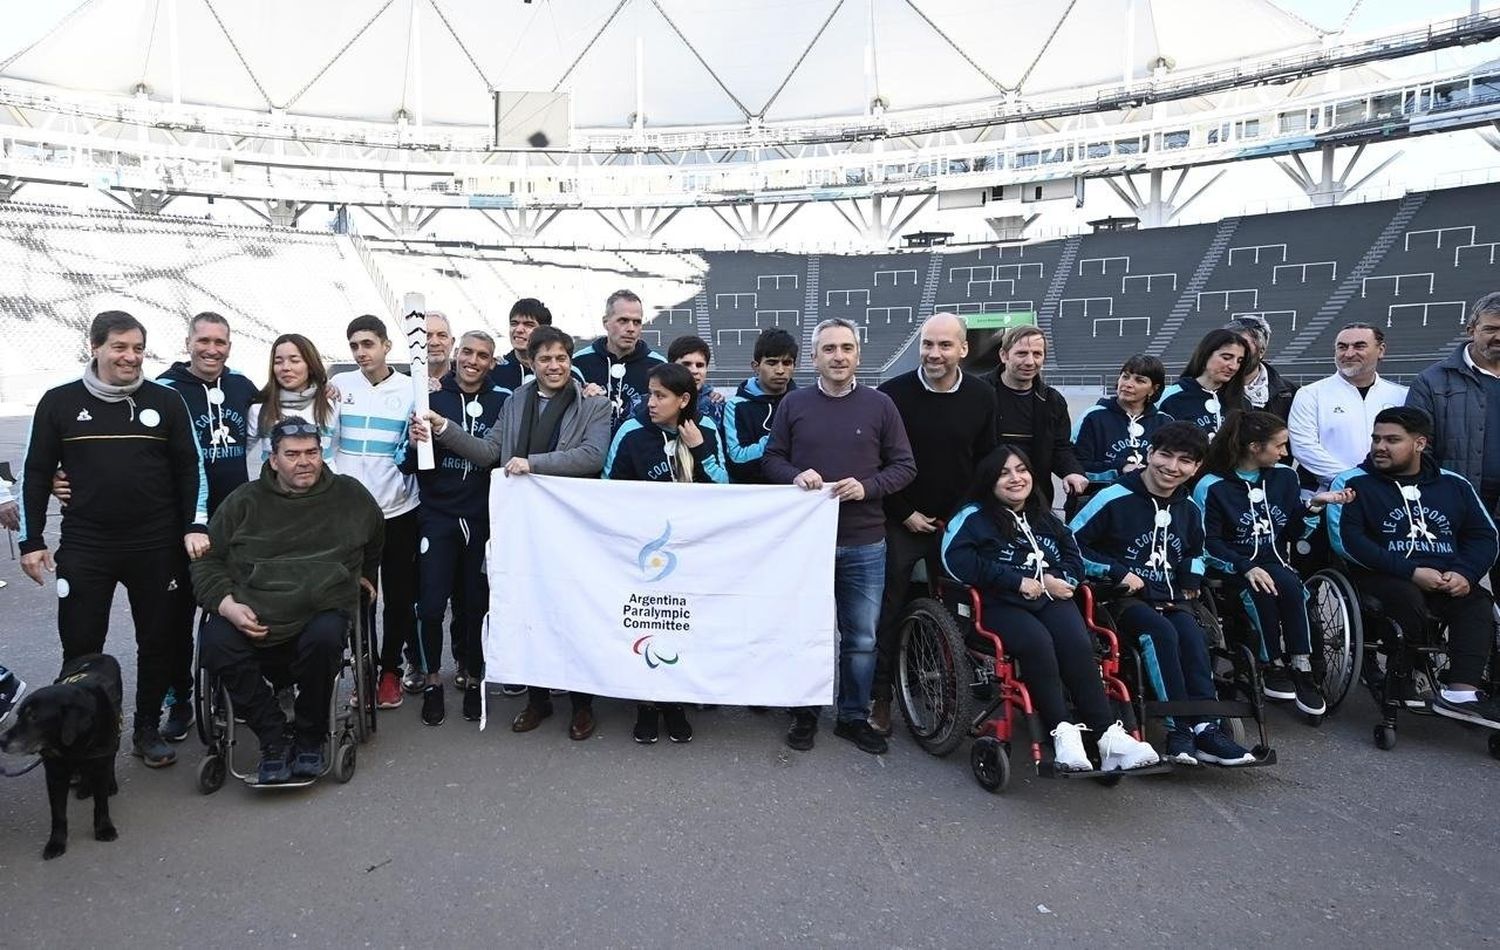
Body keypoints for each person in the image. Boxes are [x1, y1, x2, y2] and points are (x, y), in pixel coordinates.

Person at [17, 310, 208, 769]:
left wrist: (195, 524)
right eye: (120, 347)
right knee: (82, 649)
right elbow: (36, 471)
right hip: (87, 546)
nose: (130, 357)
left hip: (156, 545)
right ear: (95, 347)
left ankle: (146, 728)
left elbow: (191, 468)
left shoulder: (166, 400)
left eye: (138, 348)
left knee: (158, 641)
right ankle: (83, 738)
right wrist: (32, 540)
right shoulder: (58, 402)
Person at [417, 325, 612, 739]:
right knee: (529, 610)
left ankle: (581, 703)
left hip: (570, 525)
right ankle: (537, 699)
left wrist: (532, 463)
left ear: (570, 361)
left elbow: (592, 456)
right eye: (545, 358)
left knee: (574, 611)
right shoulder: (517, 400)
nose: (554, 365)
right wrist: (443, 428)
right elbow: (490, 452)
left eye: (561, 358)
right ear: (532, 362)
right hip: (522, 525)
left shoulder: (594, 403)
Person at [941, 446, 1161, 771]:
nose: (1016, 478)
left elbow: (1073, 557)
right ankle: (1063, 734)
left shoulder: (1043, 515)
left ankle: (1108, 737)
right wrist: (1017, 581)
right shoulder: (973, 517)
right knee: (1038, 643)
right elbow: (956, 560)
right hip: (998, 603)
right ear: (989, 480)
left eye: (1022, 470)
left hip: (1050, 598)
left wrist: (1056, 580)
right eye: (1004, 473)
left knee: (1078, 642)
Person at [191, 419, 385, 784]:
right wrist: (226, 604)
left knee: (327, 636)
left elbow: (375, 534)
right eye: (292, 454)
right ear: (273, 460)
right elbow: (208, 561)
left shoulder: (349, 495)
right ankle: (274, 736)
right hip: (253, 608)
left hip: (319, 607)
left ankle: (310, 736)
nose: (304, 462)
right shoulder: (244, 500)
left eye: (312, 452)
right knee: (215, 641)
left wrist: (365, 572)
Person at [763, 317, 916, 755]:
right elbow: (772, 460)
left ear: (858, 355)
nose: (838, 356)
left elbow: (905, 466)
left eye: (846, 348)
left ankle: (852, 716)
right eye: (828, 349)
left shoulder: (880, 406)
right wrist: (795, 475)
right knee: (804, 631)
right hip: (807, 543)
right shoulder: (794, 405)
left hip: (865, 540)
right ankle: (805, 711)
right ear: (813, 358)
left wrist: (867, 487)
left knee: (862, 638)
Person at [1069, 422, 1258, 766]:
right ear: (1149, 453)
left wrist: (1191, 574)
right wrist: (1115, 571)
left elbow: (1196, 552)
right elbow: (1069, 547)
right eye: (1165, 455)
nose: (1173, 468)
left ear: (1197, 467)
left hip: (1172, 598)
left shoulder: (1189, 508)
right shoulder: (1113, 498)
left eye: (1185, 461)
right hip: (1120, 599)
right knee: (1161, 633)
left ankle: (1205, 727)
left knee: (1194, 636)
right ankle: (1178, 730)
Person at [1329, 407, 1500, 726]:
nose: (1380, 446)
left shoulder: (1454, 485)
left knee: (1477, 602)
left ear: (1420, 444)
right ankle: (1406, 674)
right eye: (1376, 439)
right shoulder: (1353, 482)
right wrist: (1411, 571)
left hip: (1447, 575)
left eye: (1392, 440)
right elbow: (1349, 540)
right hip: (1383, 575)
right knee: (1405, 597)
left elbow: (1484, 535)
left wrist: (1465, 573)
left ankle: (1462, 694)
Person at [869, 313, 996, 735]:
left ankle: (953, 693)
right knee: (888, 610)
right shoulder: (892, 395)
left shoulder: (982, 396)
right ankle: (881, 696)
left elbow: (985, 462)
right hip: (900, 518)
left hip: (956, 523)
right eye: (928, 344)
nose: (934, 353)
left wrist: (962, 515)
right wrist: (904, 512)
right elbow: (878, 463)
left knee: (964, 613)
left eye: (945, 345)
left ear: (963, 349)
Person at [1193, 411, 1354, 718]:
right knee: (1261, 590)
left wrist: (1314, 506)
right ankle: (1272, 664)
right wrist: (1243, 566)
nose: (1285, 452)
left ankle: (1301, 664)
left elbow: (1292, 529)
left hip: (1274, 561)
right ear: (1254, 447)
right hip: (1230, 565)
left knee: (1293, 587)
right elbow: (1208, 541)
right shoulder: (1211, 486)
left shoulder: (1285, 477)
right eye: (1279, 445)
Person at [603, 362, 727, 744]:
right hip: (643, 551)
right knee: (646, 622)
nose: (650, 402)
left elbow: (724, 489)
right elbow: (609, 487)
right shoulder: (631, 431)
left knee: (680, 624)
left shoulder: (705, 430)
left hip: (692, 550)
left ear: (683, 399)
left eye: (660, 396)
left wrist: (700, 450)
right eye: (649, 394)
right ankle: (645, 703)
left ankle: (675, 701)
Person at [399, 331, 507, 726]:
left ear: (492, 362)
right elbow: (405, 462)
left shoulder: (504, 402)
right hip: (438, 514)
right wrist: (412, 445)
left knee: (476, 604)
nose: (473, 361)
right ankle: (432, 681)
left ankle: (474, 675)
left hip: (481, 517)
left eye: (483, 355)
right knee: (430, 605)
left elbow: (499, 456)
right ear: (457, 354)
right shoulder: (430, 398)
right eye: (467, 352)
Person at [331, 316, 420, 710]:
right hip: (351, 514)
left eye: (368, 344)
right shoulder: (337, 387)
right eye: (354, 346)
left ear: (387, 346)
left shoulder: (411, 389)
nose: (361, 352)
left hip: (400, 510)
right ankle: (363, 672)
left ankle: (390, 672)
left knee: (399, 599)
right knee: (358, 598)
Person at [1288, 323, 1408, 491]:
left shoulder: (1402, 395)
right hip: (1327, 495)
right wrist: (1353, 480)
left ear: (1380, 350)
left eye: (1359, 346)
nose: (1349, 354)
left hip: (1388, 491)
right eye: (1342, 347)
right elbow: (1304, 448)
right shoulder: (1310, 394)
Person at [981, 326, 1088, 509]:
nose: (1030, 361)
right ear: (1004, 355)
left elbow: (1060, 447)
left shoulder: (1052, 401)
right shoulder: (978, 392)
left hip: (1035, 498)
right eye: (1022, 353)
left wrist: (1072, 471)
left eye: (1037, 354)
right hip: (984, 496)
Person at [1073, 354, 1173, 487]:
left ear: (1153, 389)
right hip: (1101, 498)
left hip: (1148, 501)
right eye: (1125, 377)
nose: (1128, 384)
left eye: (1139, 380)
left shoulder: (1165, 422)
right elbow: (1077, 467)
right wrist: (1121, 468)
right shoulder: (1094, 416)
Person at [573, 289, 666, 432]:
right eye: (623, 321)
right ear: (605, 323)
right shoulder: (579, 362)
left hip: (637, 450)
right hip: (590, 449)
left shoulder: (659, 366)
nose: (631, 329)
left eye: (637, 322)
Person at [721, 328, 798, 484]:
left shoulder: (802, 403)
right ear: (755, 366)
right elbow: (737, 460)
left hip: (797, 496)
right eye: (772, 362)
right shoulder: (735, 407)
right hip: (753, 498)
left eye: (787, 363)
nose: (780, 370)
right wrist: (780, 437)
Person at [247, 334, 339, 463]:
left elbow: (338, 449)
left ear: (311, 366)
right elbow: (240, 455)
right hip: (275, 483)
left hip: (325, 483)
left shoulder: (331, 402)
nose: (285, 368)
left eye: (294, 361)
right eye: (278, 362)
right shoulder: (259, 409)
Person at [1159, 329, 1249, 439]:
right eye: (1226, 358)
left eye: (1239, 361)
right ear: (1206, 355)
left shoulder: (1243, 402)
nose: (1233, 366)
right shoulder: (1170, 396)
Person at [1224, 315, 1297, 420]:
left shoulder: (1292, 393)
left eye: (1244, 345)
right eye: (1229, 344)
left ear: (1261, 351)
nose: (1236, 351)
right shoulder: (1209, 389)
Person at [490, 298, 552, 391]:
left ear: (545, 331)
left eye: (529, 325)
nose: (518, 330)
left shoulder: (559, 371)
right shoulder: (495, 371)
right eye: (514, 323)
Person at [667, 335, 727, 428]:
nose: (694, 371)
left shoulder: (719, 406)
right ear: (670, 367)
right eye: (686, 364)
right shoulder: (652, 404)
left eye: (699, 365)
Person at [424, 311, 454, 393]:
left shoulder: (465, 383)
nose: (434, 342)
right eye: (427, 336)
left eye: (442, 335)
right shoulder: (404, 384)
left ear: (452, 342)